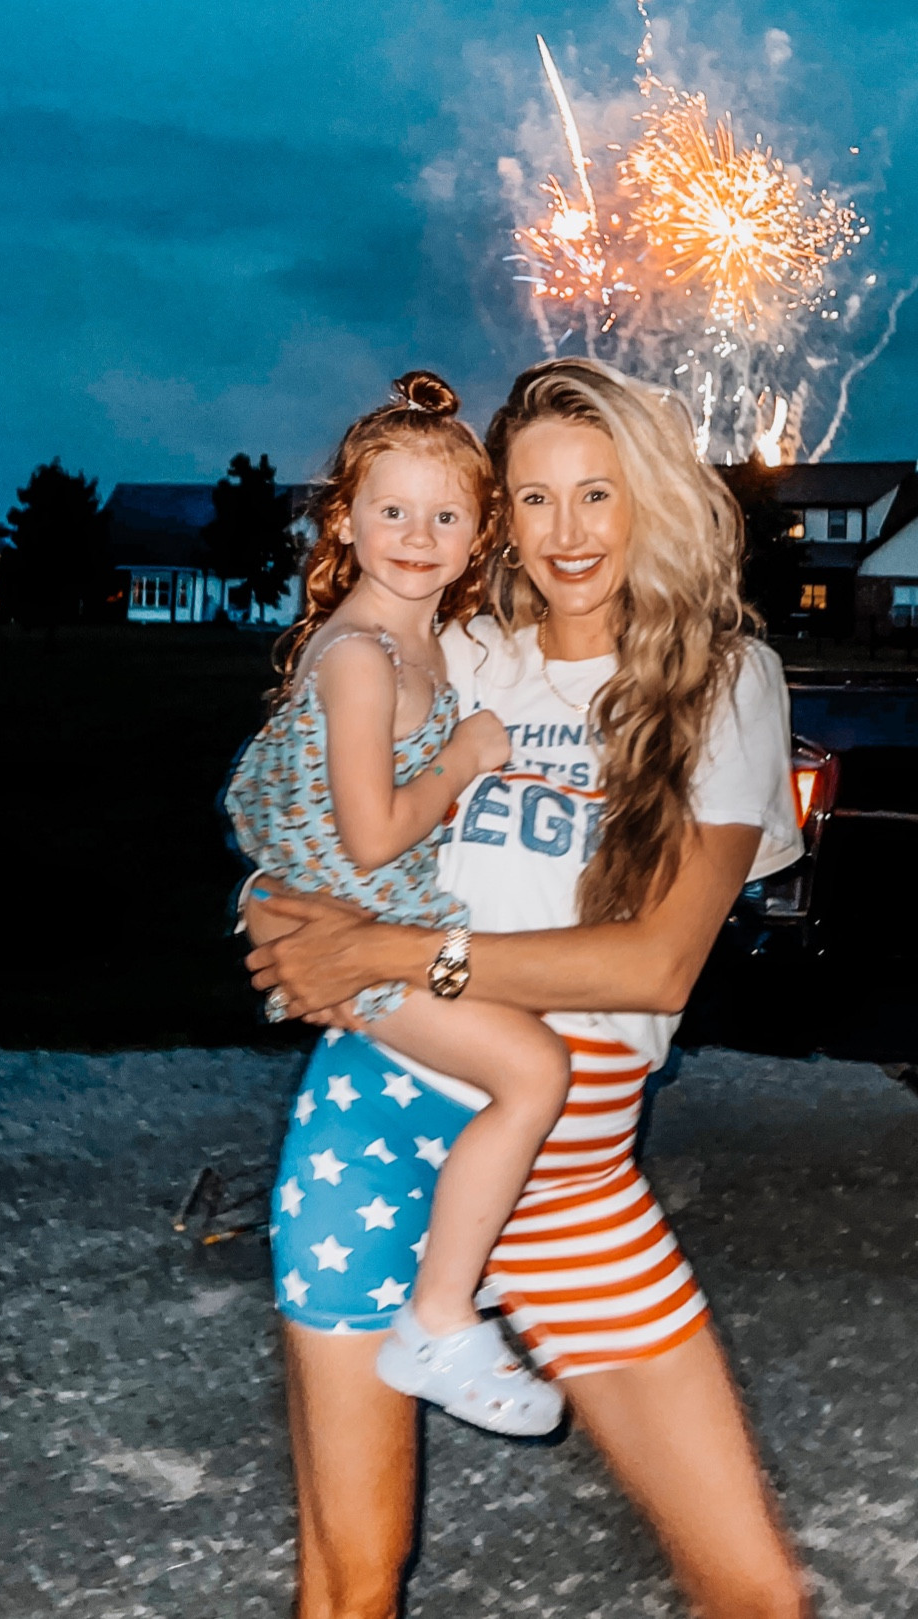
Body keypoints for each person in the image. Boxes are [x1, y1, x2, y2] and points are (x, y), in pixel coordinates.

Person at [248, 357, 812, 1619]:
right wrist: (290, 931)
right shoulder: (456, 656)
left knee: (754, 1588)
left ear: (650, 502)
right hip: (395, 1138)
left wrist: (388, 956)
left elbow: (656, 960)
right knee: (352, 1578)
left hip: (572, 1176)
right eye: (536, 498)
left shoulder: (723, 684)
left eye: (598, 495)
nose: (567, 534)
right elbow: (314, 834)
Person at [225, 370, 571, 1436]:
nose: (416, 535)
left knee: (519, 1046)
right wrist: (467, 756)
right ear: (345, 517)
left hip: (380, 919)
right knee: (533, 1069)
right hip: (357, 932)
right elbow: (373, 831)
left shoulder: (422, 636)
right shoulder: (363, 657)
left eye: (444, 514)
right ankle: (440, 1317)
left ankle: (457, 1267)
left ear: (480, 531)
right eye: (390, 511)